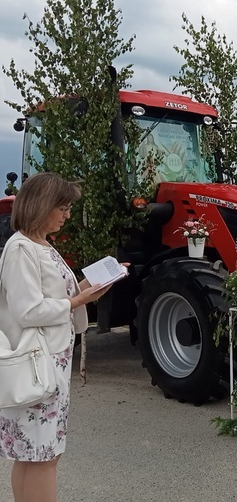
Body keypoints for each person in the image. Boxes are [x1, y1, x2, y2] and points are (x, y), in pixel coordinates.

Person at [0, 173, 112, 502]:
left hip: (49, 361)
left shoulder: (41, 245)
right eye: (62, 208)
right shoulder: (22, 248)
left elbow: (53, 293)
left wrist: (87, 287)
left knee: (34, 453)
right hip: (36, 364)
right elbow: (28, 310)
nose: (67, 215)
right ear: (41, 206)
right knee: (42, 455)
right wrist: (78, 301)